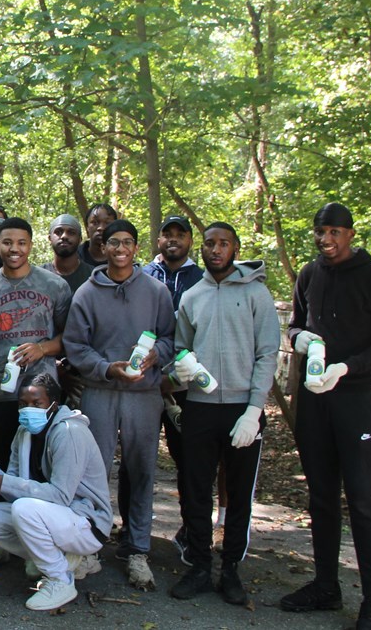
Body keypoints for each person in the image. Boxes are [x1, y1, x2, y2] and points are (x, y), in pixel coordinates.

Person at [280, 203, 371, 630]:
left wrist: (346, 367)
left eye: (334, 232)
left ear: (350, 234)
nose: (326, 240)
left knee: (363, 502)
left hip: (355, 401)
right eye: (320, 232)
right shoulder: (310, 275)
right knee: (321, 497)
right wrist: (299, 338)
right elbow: (294, 325)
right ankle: (326, 586)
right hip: (313, 401)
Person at [169, 222, 279, 607]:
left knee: (238, 492)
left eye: (223, 244)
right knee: (195, 489)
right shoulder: (192, 296)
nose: (216, 250)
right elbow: (180, 350)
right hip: (199, 407)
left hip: (241, 411)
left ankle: (231, 567)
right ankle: (199, 564)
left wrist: (254, 410)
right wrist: (180, 369)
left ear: (235, 248)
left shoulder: (256, 293)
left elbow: (268, 353)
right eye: (210, 243)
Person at [61, 219, 174, 590]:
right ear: (103, 247)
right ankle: (90, 544)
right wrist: (107, 368)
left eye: (127, 242)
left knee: (141, 469)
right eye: (113, 242)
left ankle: (137, 548)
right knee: (92, 471)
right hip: (101, 390)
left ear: (137, 248)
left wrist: (155, 355)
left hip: (144, 395)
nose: (120, 248)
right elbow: (76, 346)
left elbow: (171, 338)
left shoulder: (156, 291)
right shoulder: (87, 293)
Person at [0, 374, 111, 612]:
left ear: (54, 403)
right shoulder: (24, 433)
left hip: (86, 522)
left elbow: (61, 496)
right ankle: (54, 558)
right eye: (23, 404)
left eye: (37, 403)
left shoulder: (69, 432)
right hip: (53, 517)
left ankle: (60, 580)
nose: (28, 410)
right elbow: (14, 487)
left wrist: (3, 483)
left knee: (24, 509)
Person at [0, 218, 72, 472]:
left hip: (43, 394)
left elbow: (71, 338)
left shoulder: (55, 286)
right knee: (2, 469)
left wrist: (43, 348)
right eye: (7, 242)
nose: (14, 249)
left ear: (31, 245)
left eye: (21, 243)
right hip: (0, 393)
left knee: (42, 469)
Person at [141, 214, 205, 563]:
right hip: (146, 382)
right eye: (167, 234)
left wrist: (179, 377)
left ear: (190, 241)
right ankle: (134, 530)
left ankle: (190, 532)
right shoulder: (144, 275)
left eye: (181, 235)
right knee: (139, 459)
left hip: (185, 386)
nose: (173, 240)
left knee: (189, 461)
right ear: (159, 239)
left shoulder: (201, 278)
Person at [40, 214, 90, 294]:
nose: (64, 236)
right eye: (58, 232)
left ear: (80, 240)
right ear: (50, 239)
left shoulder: (93, 276)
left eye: (71, 232)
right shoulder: (37, 276)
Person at [79, 203, 117, 269]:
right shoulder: (74, 257)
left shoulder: (122, 258)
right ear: (87, 227)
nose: (101, 228)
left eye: (107, 223)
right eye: (95, 222)